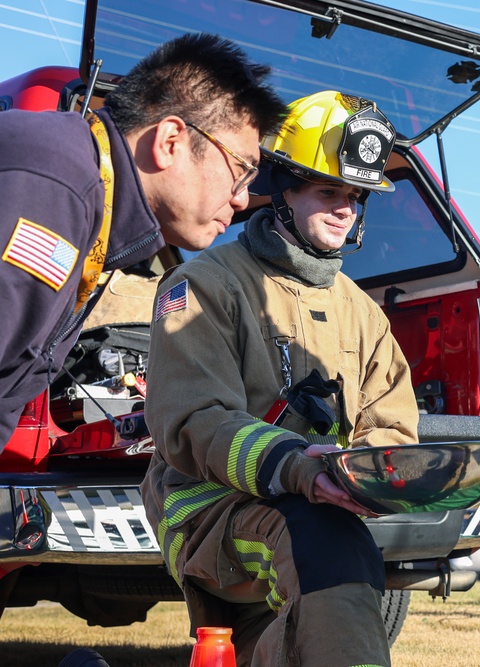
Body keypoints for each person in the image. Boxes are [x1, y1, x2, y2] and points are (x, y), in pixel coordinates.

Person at [140, 90, 420, 667]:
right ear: (285, 190)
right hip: (207, 509)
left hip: (312, 503)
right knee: (324, 544)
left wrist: (370, 479)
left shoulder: (362, 311)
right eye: (328, 191)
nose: (345, 209)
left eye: (356, 197)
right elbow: (195, 421)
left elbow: (391, 425)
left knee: (312, 590)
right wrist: (301, 468)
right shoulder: (202, 286)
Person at [0, 32, 286, 451]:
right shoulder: (55, 185)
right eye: (242, 169)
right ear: (170, 142)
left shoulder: (86, 192)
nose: (243, 198)